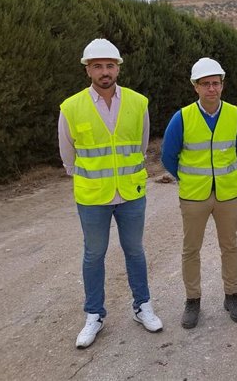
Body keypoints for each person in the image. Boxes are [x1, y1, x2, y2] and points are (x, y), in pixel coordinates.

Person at [59, 38, 163, 349]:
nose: (105, 71)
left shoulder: (137, 102)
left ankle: (142, 306)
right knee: (93, 255)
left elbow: (141, 145)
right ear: (88, 70)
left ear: (117, 68)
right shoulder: (71, 107)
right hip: (93, 197)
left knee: (135, 251)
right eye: (98, 66)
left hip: (131, 192)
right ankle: (94, 314)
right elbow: (68, 154)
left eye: (110, 65)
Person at [161, 58, 237, 328]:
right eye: (205, 84)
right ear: (195, 87)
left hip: (227, 195)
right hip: (194, 196)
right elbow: (168, 156)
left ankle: (232, 296)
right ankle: (192, 301)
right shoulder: (182, 117)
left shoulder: (235, 114)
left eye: (216, 83)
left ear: (222, 85)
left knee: (229, 246)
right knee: (191, 249)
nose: (212, 89)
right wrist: (187, 179)